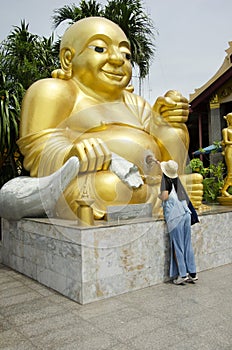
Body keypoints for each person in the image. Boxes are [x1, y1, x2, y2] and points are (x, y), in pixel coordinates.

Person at [16, 16, 203, 220]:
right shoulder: (55, 91)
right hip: (91, 183)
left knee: (171, 129)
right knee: (107, 187)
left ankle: (171, 188)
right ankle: (170, 194)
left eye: (126, 54)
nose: (117, 59)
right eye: (99, 49)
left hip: (147, 182)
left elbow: (163, 150)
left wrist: (165, 120)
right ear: (68, 59)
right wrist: (72, 154)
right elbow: (37, 153)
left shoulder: (135, 103)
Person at [158, 160, 198, 285]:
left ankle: (182, 274)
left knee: (177, 245)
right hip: (186, 213)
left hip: (176, 216)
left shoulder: (165, 181)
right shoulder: (177, 180)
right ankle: (192, 273)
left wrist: (158, 196)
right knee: (187, 244)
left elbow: (164, 196)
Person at [221, 112, 232, 197]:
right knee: (230, 171)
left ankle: (223, 188)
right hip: (229, 149)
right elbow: (225, 141)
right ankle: (224, 190)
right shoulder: (226, 130)